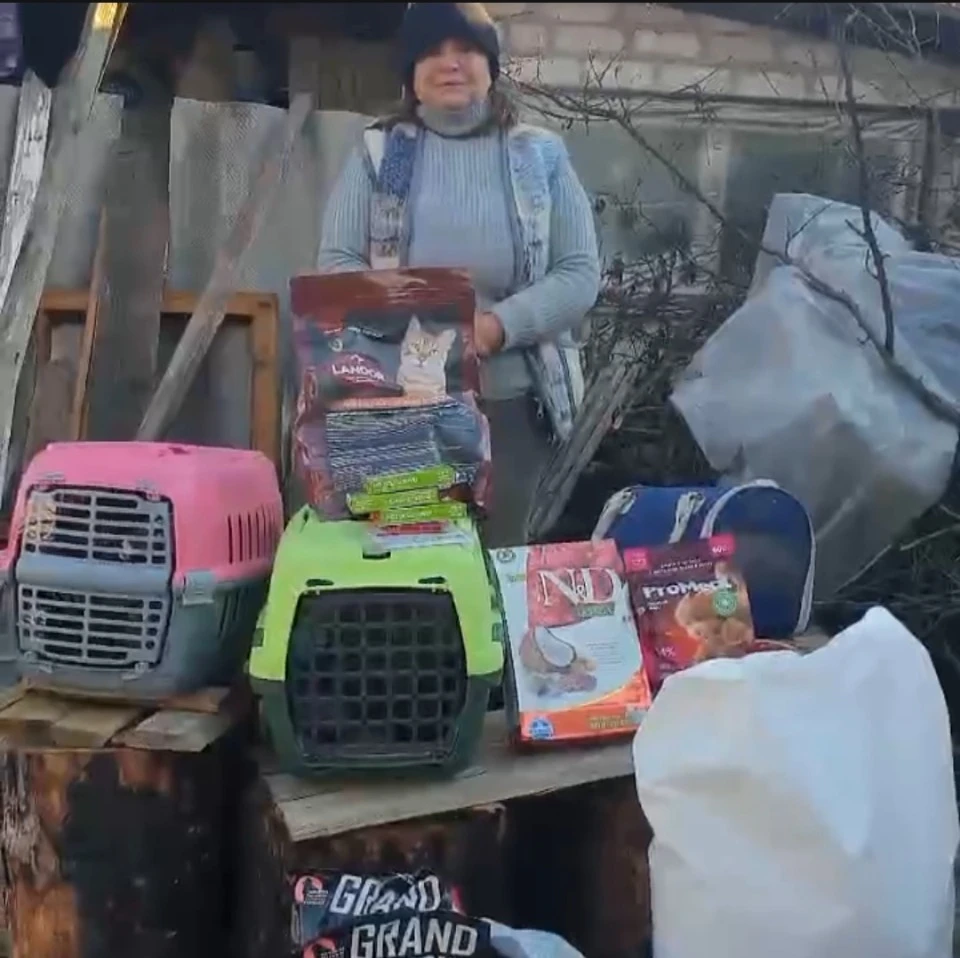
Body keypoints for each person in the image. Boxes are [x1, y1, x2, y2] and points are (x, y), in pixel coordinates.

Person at [318, 2, 601, 547]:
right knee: (408, 553)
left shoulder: (540, 156)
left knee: (498, 558)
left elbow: (579, 272)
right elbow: (338, 263)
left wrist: (496, 327)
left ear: (490, 65)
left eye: (466, 49)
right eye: (431, 52)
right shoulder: (377, 155)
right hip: (400, 396)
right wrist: (417, 324)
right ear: (411, 75)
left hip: (512, 405)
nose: (450, 63)